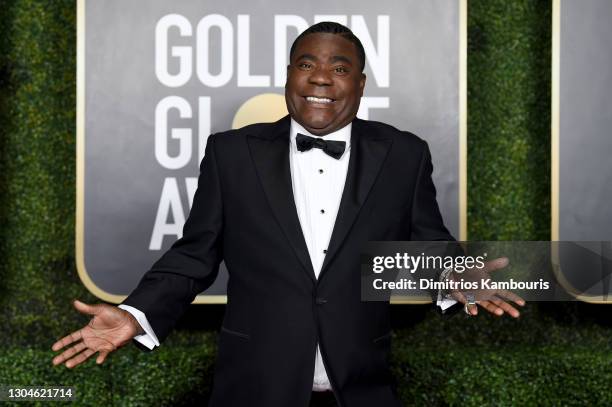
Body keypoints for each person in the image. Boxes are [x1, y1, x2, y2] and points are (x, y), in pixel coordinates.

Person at [52, 22, 524, 407]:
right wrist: (137, 314)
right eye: (307, 64)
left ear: (360, 84)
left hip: (361, 389)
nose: (321, 77)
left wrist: (453, 273)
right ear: (288, 77)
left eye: (340, 68)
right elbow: (194, 255)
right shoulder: (231, 154)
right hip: (253, 390)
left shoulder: (403, 153)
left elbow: (425, 241)